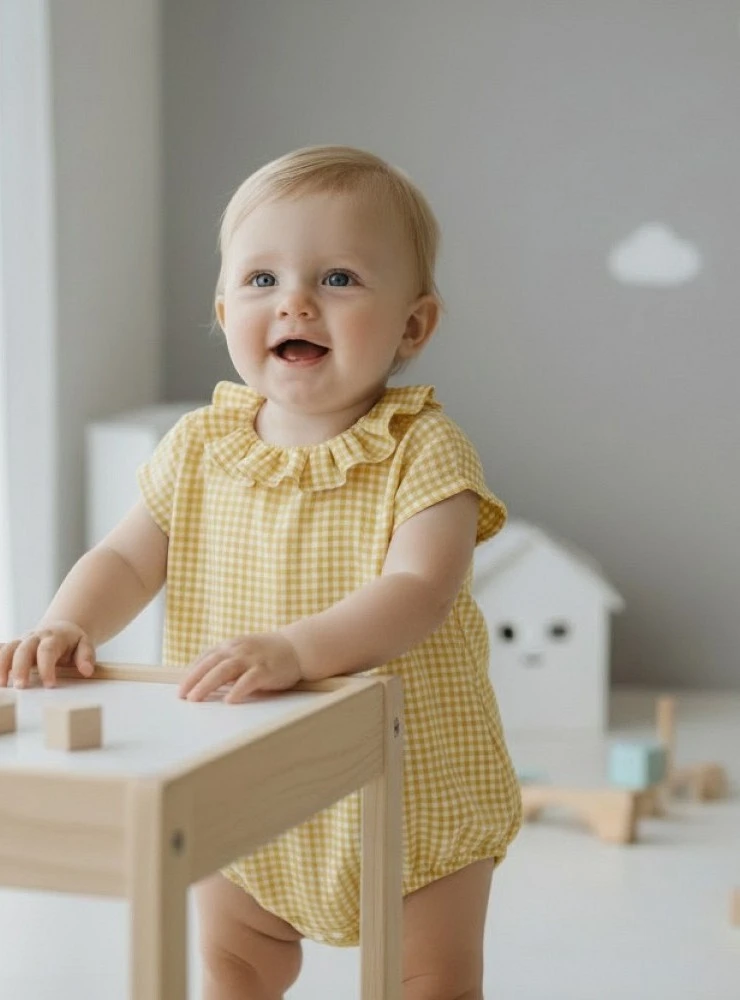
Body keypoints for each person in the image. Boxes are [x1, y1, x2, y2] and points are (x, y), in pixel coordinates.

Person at [0, 146, 521, 999]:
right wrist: (70, 624)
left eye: (341, 278)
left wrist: (296, 649)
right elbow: (127, 557)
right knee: (237, 966)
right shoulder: (200, 446)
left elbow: (419, 592)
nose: (297, 301)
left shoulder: (423, 449)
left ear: (414, 326)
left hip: (412, 784)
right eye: (261, 279)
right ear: (222, 308)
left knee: (429, 978)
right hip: (239, 766)